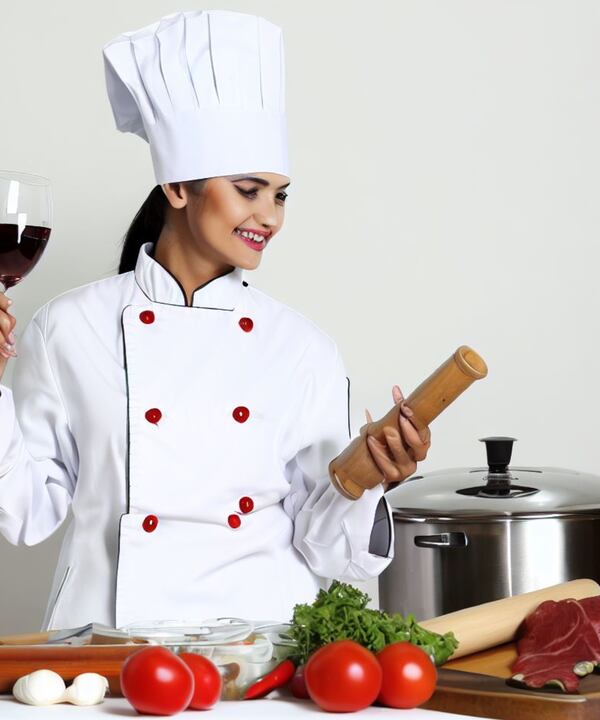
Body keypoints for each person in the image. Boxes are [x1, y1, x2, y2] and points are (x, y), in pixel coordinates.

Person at [0, 10, 428, 629]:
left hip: (259, 653)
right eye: (249, 189)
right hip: (107, 648)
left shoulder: (303, 348)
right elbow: (23, 512)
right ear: (178, 186)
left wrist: (367, 479)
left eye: (280, 195)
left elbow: (331, 550)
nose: (271, 217)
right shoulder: (68, 327)